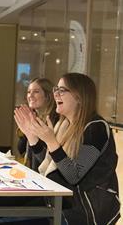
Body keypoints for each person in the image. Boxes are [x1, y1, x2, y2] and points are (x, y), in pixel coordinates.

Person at [14, 73, 120, 224]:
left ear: (79, 97)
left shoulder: (97, 128)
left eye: (62, 90)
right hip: (62, 202)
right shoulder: (64, 125)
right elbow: (48, 167)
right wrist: (32, 137)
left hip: (86, 210)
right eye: (56, 89)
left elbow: (73, 175)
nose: (55, 93)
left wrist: (51, 141)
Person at [17, 78, 58, 171]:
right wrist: (26, 131)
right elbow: (21, 149)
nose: (30, 96)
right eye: (28, 92)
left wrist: (32, 137)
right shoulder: (33, 117)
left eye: (36, 92)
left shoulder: (54, 120)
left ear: (48, 96)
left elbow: (46, 161)